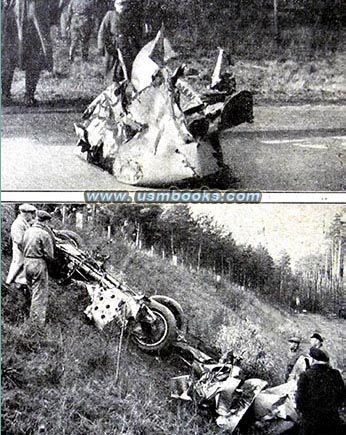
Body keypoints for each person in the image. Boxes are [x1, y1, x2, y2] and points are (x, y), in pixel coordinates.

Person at [1, 0, 62, 106]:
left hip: (34, 14)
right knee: (8, 56)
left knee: (34, 56)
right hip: (15, 14)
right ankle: (6, 94)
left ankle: (28, 95)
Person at [296, 347, 344, 435]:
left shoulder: (305, 376)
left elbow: (299, 401)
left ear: (313, 360)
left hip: (311, 423)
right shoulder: (336, 374)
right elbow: (341, 396)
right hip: (332, 421)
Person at [23, 210, 55, 327]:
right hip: (38, 263)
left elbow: (21, 246)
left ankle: (28, 315)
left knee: (31, 290)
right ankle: (37, 325)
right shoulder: (44, 234)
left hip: (26, 262)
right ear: (45, 221)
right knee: (39, 294)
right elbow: (49, 255)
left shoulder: (27, 231)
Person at [97, 0, 143, 83]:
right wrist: (100, 46)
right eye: (119, 4)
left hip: (125, 44)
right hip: (112, 44)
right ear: (115, 5)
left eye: (124, 4)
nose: (121, 7)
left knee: (125, 66)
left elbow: (135, 32)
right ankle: (109, 84)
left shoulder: (129, 16)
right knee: (110, 66)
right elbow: (102, 31)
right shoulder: (110, 15)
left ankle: (123, 84)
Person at [6, 204, 37, 293]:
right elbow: (19, 240)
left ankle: (21, 286)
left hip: (25, 249)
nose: (32, 216)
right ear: (25, 213)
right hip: (20, 250)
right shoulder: (17, 224)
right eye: (31, 214)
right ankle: (13, 285)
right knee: (18, 265)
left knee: (23, 268)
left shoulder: (23, 222)